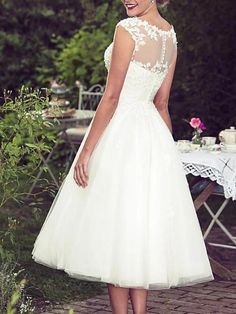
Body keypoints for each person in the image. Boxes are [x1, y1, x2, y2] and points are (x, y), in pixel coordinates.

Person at [32, 0, 214, 313]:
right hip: (151, 135)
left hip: (122, 134)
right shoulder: (171, 36)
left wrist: (87, 150)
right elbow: (161, 104)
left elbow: (112, 96)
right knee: (138, 229)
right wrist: (166, 153)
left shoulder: (127, 28)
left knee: (115, 229)